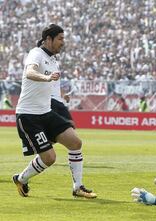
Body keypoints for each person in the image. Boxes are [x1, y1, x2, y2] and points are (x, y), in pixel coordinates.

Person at [13, 24, 96, 198]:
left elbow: (50, 87)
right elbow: (30, 73)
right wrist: (46, 77)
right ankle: (21, 178)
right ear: (48, 39)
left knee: (75, 143)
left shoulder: (53, 60)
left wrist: (61, 97)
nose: (63, 42)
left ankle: (78, 187)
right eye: (60, 38)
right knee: (49, 158)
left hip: (46, 112)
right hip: (29, 116)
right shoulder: (36, 53)